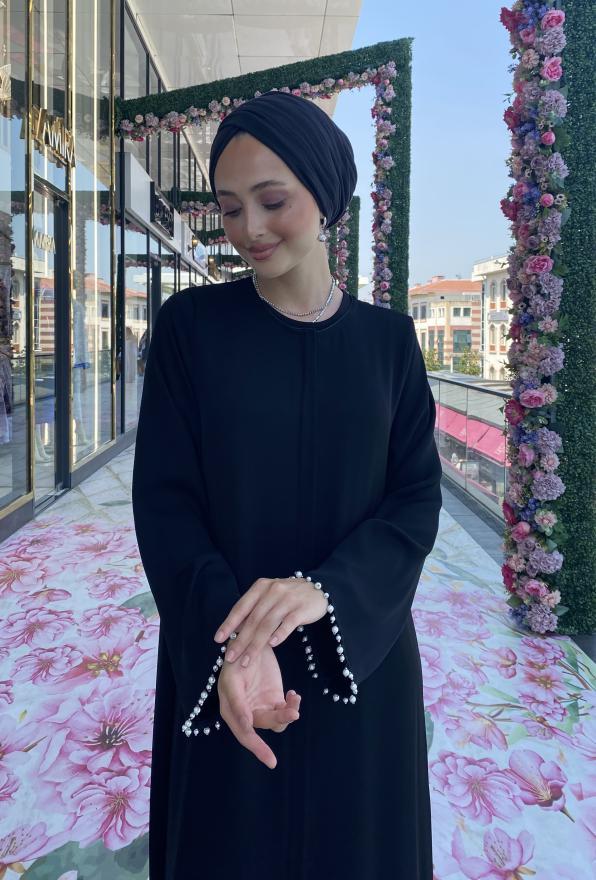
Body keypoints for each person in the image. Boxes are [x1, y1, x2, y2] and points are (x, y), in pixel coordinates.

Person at [131, 90, 443, 880]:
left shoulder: (390, 344)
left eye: (273, 201)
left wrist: (325, 592)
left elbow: (414, 500)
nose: (250, 230)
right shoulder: (191, 329)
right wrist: (236, 644)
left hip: (358, 660)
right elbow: (166, 502)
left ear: (326, 196)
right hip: (226, 648)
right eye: (231, 208)